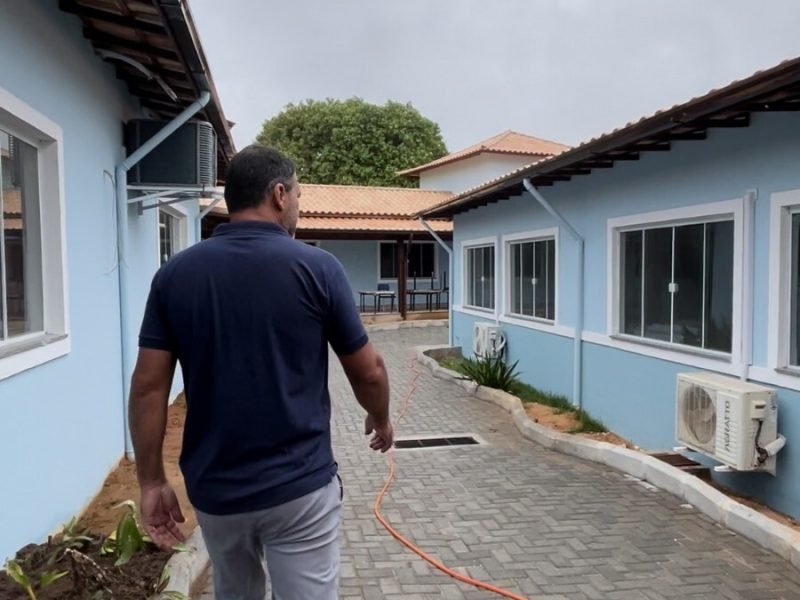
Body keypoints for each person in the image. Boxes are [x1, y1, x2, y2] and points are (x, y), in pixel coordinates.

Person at [128, 144, 393, 600]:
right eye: (298, 196)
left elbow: (148, 386)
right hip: (299, 490)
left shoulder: (175, 275)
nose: (298, 207)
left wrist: (152, 481)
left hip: (217, 492)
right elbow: (369, 371)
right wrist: (381, 417)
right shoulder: (318, 268)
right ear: (278, 194)